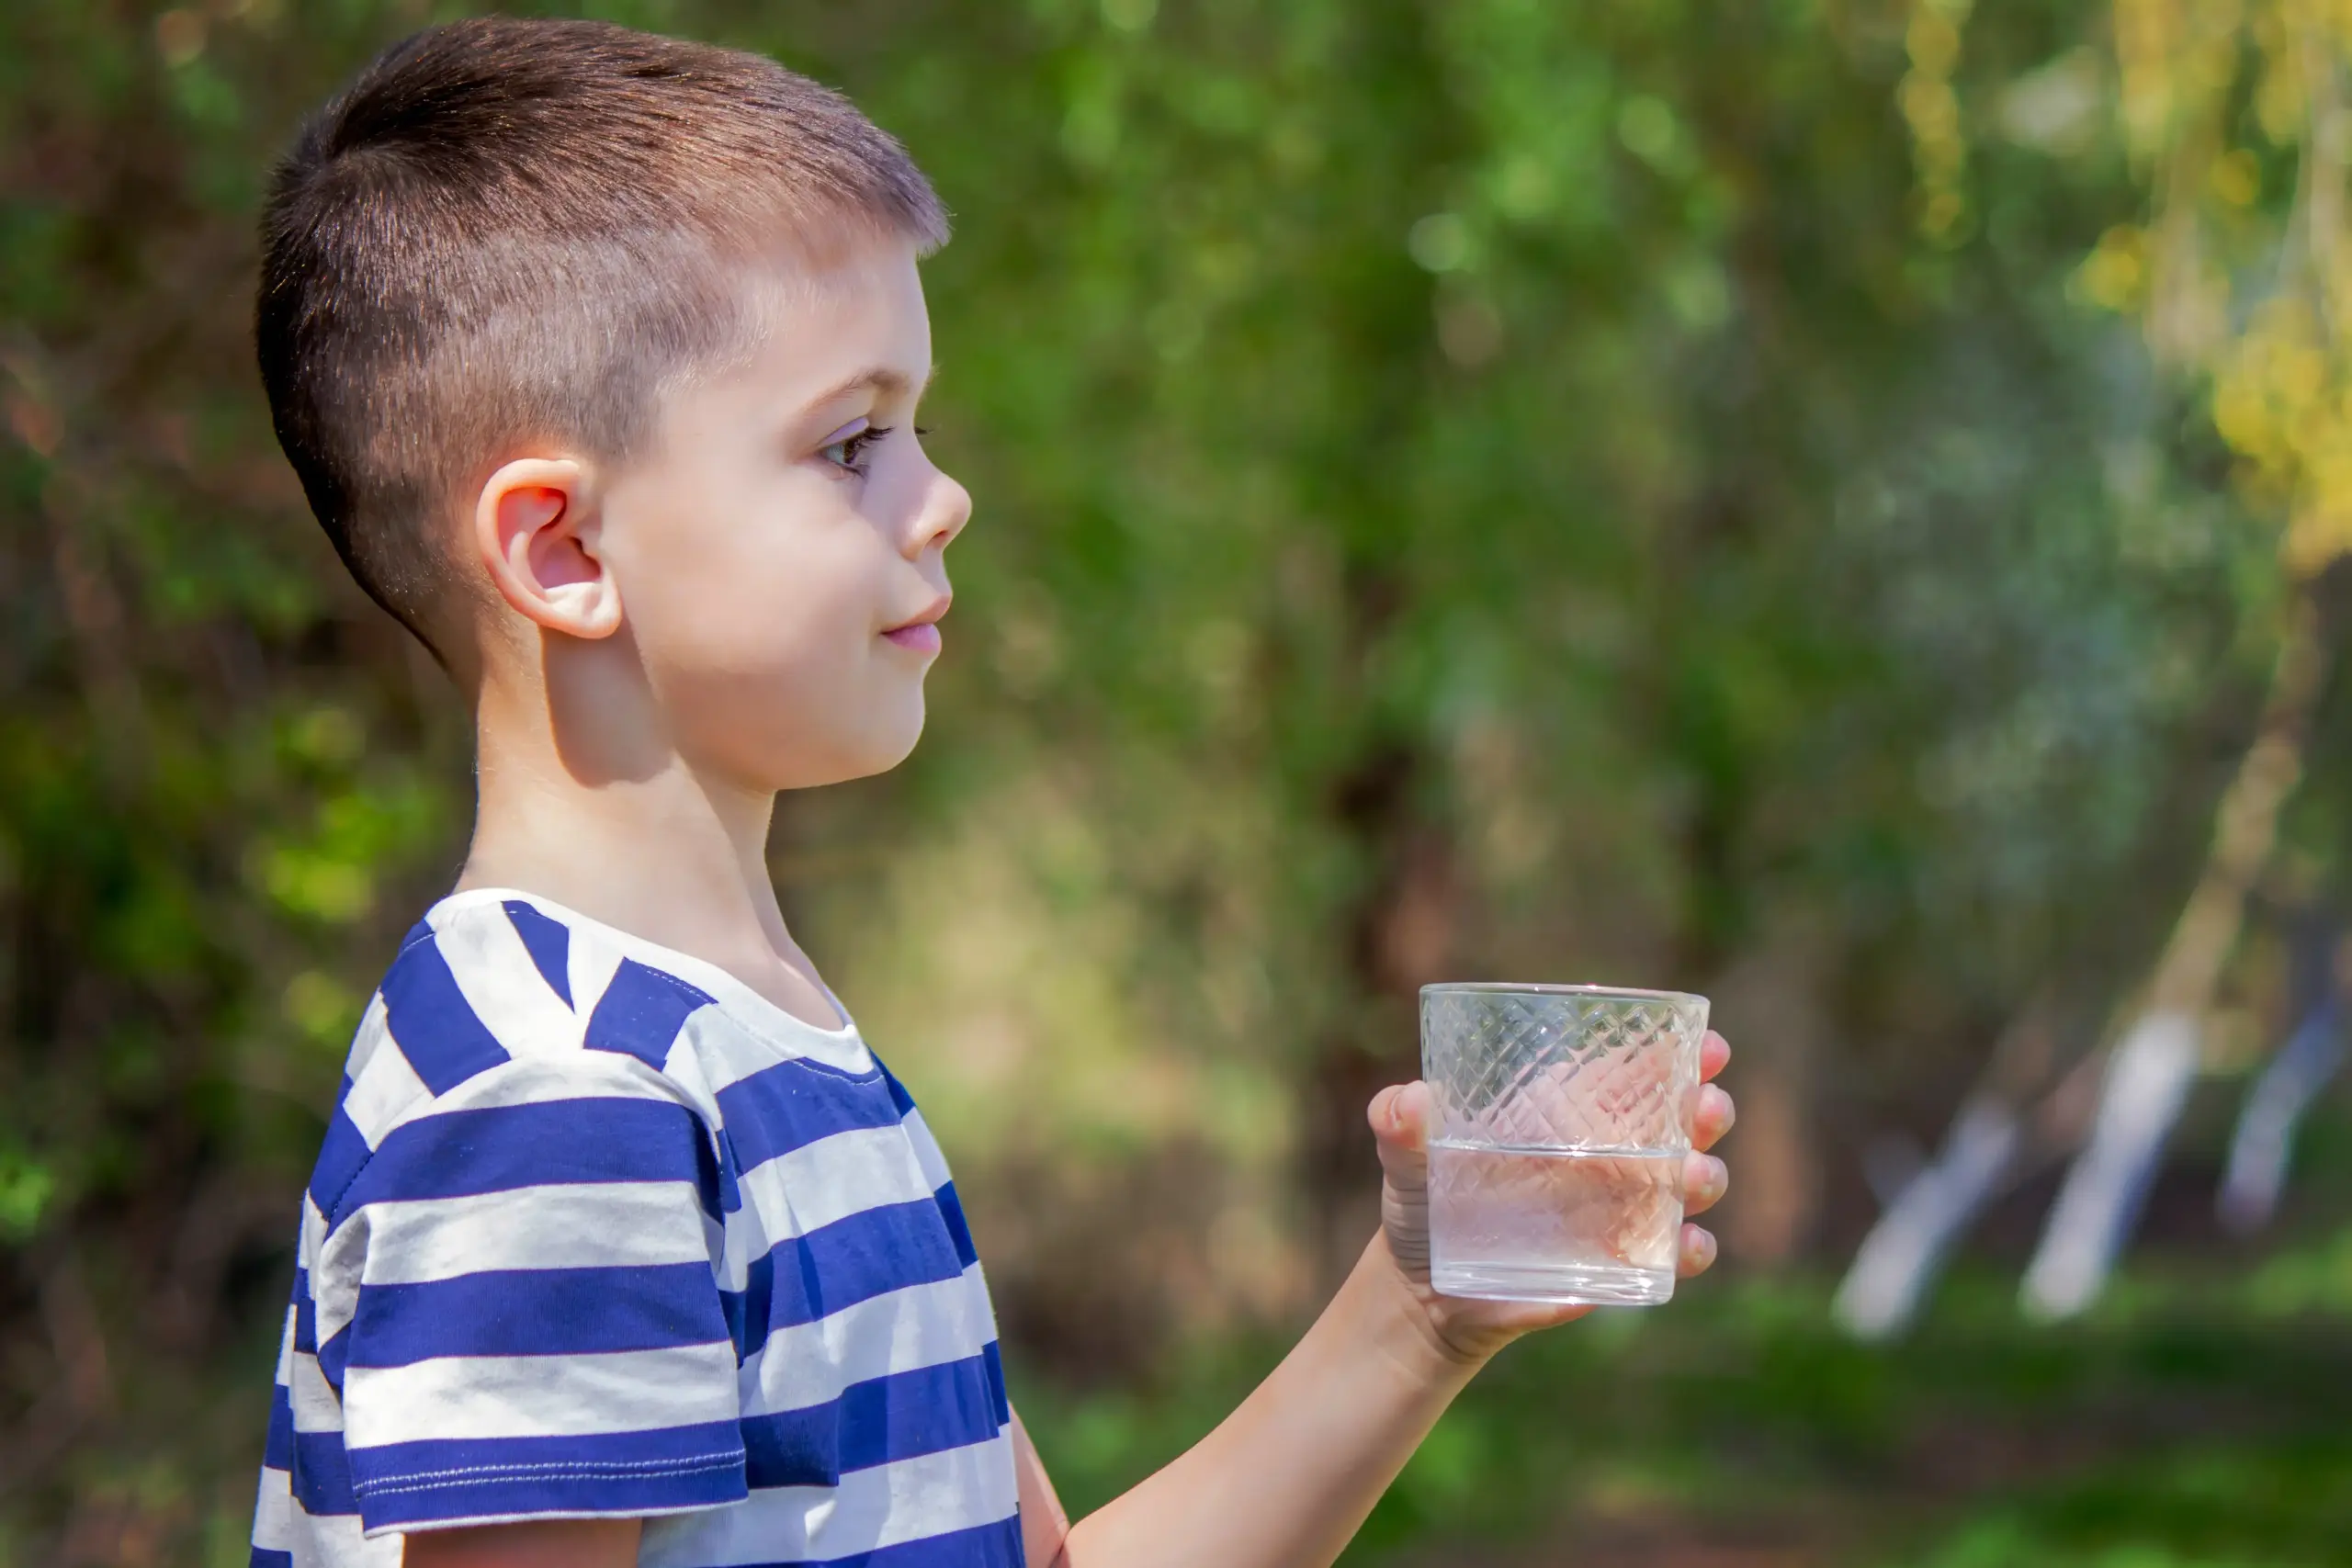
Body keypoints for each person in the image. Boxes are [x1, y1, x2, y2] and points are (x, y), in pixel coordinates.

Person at [246, 17, 1737, 1568]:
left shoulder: (766, 1044)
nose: (942, 496)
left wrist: (1421, 1308)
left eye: (916, 426)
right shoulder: (561, 1094)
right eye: (851, 442)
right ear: (561, 551)